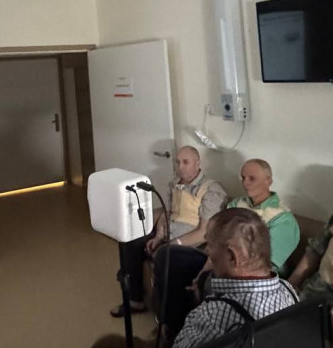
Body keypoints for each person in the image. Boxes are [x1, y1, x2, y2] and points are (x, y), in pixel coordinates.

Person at [111, 146, 227, 336]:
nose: (180, 167)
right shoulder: (175, 183)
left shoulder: (211, 190)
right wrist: (158, 236)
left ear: (198, 163)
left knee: (164, 257)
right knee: (130, 240)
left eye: (185, 162)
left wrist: (171, 244)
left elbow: (204, 233)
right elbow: (168, 212)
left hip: (191, 242)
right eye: (177, 162)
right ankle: (135, 299)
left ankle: (166, 322)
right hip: (170, 232)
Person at [172, 208, 298, 348]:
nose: (207, 250)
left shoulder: (212, 318)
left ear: (232, 256)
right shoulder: (289, 291)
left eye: (210, 245)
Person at [227, 159, 299, 274]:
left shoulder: (282, 219)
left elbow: (266, 265)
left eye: (252, 178)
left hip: (257, 275)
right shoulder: (236, 204)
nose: (245, 183)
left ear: (268, 181)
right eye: (243, 177)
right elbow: (220, 237)